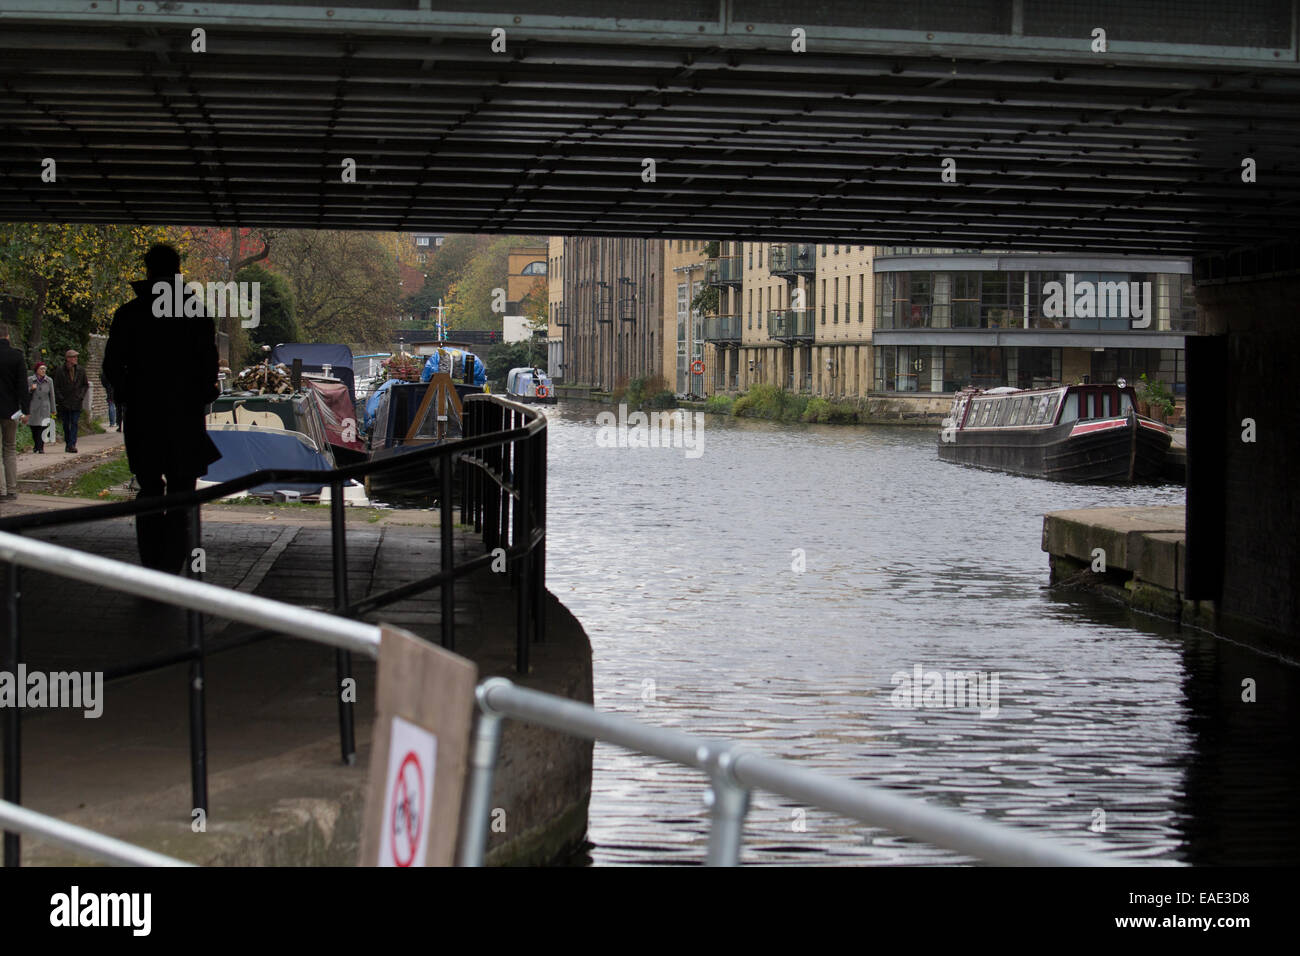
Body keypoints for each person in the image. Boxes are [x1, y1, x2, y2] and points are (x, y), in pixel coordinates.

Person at [103, 244, 220, 573]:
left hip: (145, 417)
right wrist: (198, 395)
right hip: (184, 417)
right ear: (178, 272)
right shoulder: (196, 314)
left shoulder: (129, 314)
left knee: (150, 487)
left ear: (149, 272)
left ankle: (152, 560)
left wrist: (129, 395)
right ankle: (172, 564)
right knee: (183, 492)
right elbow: (208, 366)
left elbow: (112, 365)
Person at [0, 325, 31, 499]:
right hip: (11, 411)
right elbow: (22, 387)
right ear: (8, 337)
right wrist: (26, 411)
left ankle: (0, 490)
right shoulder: (16, 356)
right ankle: (11, 489)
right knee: (9, 449)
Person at [51, 348, 89, 453]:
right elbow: (56, 386)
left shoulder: (81, 370)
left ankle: (72, 444)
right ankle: (68, 443)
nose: (76, 359)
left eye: (76, 357)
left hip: (76, 402)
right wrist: (61, 399)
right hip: (65, 402)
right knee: (66, 424)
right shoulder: (60, 370)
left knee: (74, 422)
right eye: (73, 357)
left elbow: (85, 385)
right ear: (68, 359)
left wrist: (81, 396)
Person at [27, 361, 55, 454]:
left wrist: (53, 409)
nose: (43, 371)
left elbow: (52, 395)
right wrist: (31, 389)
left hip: (44, 407)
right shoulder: (30, 380)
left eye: (44, 369)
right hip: (33, 407)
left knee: (43, 427)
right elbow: (24, 393)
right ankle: (36, 445)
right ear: (36, 370)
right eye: (41, 369)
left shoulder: (49, 380)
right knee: (34, 428)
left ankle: (41, 447)